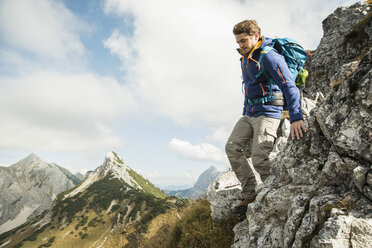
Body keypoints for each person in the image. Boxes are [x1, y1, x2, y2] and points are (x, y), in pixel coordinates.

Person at [225, 20, 307, 214]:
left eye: (243, 41)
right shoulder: (246, 57)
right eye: (238, 42)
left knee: (259, 157)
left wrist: (296, 117)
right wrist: (246, 111)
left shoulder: (269, 56)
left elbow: (289, 85)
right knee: (232, 148)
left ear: (256, 36)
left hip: (269, 112)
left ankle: (274, 194)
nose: (240, 45)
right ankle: (250, 194)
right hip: (249, 113)